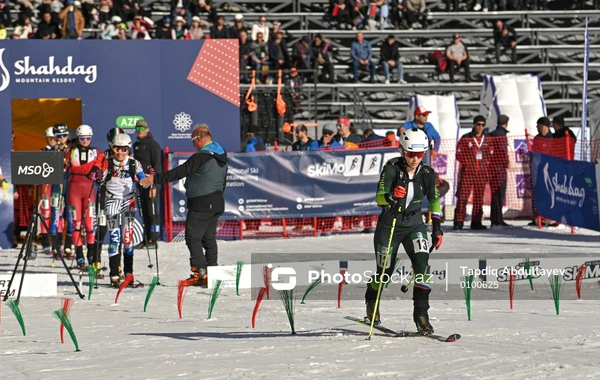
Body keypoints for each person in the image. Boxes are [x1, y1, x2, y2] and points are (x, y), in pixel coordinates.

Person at [365, 127, 442, 335]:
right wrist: (391, 195)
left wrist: (437, 229)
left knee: (423, 268)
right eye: (410, 153)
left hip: (414, 224)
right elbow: (379, 196)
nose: (415, 158)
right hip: (389, 225)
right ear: (402, 150)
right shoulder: (391, 168)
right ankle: (372, 298)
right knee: (385, 272)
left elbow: (434, 200)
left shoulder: (427, 174)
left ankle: (421, 316)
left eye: (420, 154)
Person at [139, 125, 228, 287]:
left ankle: (199, 274)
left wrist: (154, 180)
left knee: (193, 238)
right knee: (208, 238)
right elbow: (223, 180)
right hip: (216, 201)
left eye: (193, 141)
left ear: (199, 139)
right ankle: (211, 273)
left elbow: (179, 172)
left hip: (201, 203)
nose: (193, 145)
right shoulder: (221, 154)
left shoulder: (202, 156)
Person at [88, 133, 148, 287]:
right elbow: (99, 179)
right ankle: (114, 275)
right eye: (116, 148)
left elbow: (144, 181)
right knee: (115, 238)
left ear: (128, 150)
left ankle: (128, 274)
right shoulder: (108, 163)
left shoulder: (134, 163)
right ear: (112, 148)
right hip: (112, 201)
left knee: (128, 239)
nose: (120, 152)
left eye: (123, 149)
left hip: (129, 201)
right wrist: (98, 176)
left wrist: (148, 179)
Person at [65, 124, 101, 269]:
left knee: (89, 224)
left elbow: (100, 167)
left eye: (88, 138)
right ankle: (80, 257)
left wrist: (80, 169)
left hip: (89, 190)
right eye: (82, 138)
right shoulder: (71, 151)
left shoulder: (96, 152)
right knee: (76, 224)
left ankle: (91, 257)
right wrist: (87, 168)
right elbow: (63, 167)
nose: (85, 141)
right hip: (74, 190)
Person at [453, 115, 492, 230]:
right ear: (474, 125)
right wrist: (468, 164)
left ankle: (476, 222)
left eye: (483, 125)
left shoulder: (488, 139)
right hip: (467, 173)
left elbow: (492, 155)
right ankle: (458, 222)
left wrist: (486, 167)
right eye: (478, 124)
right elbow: (458, 154)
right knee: (463, 197)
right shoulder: (466, 137)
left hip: (481, 173)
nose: (480, 127)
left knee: (479, 199)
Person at [133, 120, 162, 249]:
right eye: (137, 127)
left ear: (147, 129)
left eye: (142, 128)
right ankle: (145, 239)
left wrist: (154, 185)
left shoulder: (153, 145)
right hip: (140, 183)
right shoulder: (136, 145)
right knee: (144, 212)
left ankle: (153, 240)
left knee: (152, 212)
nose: (140, 130)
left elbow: (157, 166)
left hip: (151, 184)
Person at [489, 115, 511, 228]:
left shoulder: (491, 134)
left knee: (494, 194)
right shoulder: (502, 135)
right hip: (500, 169)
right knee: (499, 194)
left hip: (491, 168)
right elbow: (502, 150)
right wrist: (506, 162)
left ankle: (495, 219)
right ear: (506, 123)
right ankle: (498, 220)